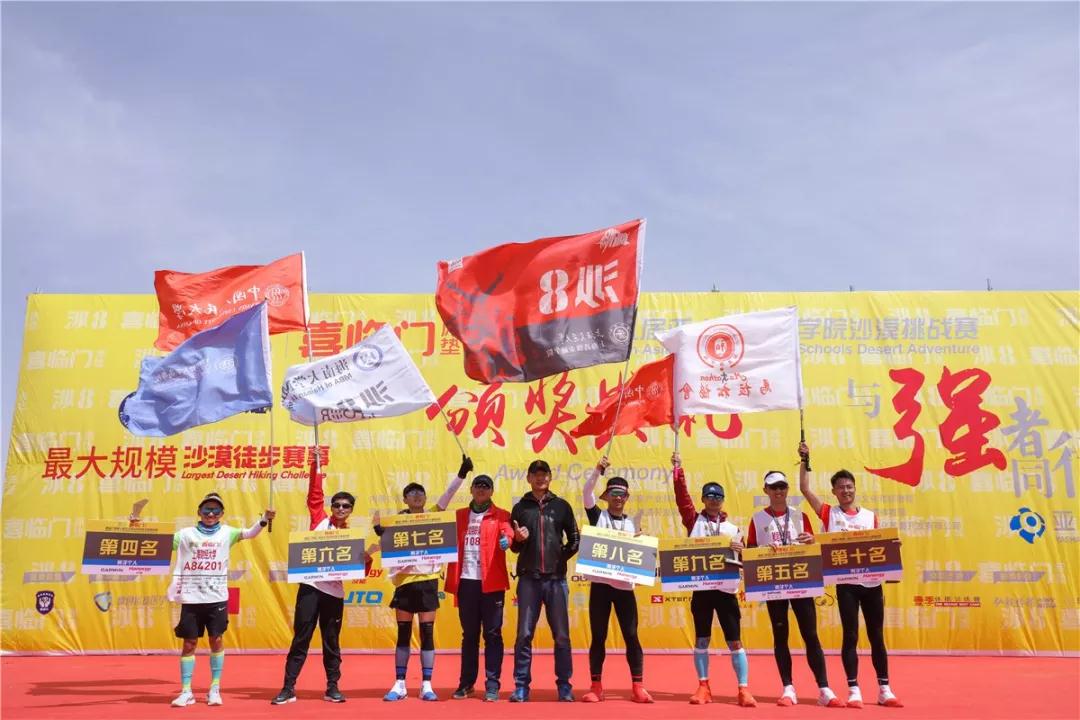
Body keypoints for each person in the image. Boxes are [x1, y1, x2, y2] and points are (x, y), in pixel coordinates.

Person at [798, 442, 903, 708]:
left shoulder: (870, 516)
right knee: (851, 635)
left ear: (854, 488)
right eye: (840, 487)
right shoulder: (828, 513)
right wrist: (805, 459)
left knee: (877, 635)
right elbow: (805, 489)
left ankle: (884, 689)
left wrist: (892, 548)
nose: (846, 490)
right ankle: (854, 689)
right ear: (834, 492)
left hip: (872, 585)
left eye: (849, 486)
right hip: (846, 585)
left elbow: (879, 548)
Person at [151, 492, 275, 707]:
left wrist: (264, 519)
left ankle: (214, 688)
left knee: (216, 640)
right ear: (199, 512)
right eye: (207, 509)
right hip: (191, 598)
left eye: (215, 510)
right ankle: (186, 691)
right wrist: (137, 528)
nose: (211, 514)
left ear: (221, 513)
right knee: (189, 643)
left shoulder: (228, 533)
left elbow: (250, 533)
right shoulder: (185, 535)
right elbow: (159, 543)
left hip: (216, 598)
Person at [375, 455, 472, 702]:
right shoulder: (396, 523)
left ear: (425, 499)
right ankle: (400, 684)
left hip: (428, 582)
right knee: (403, 634)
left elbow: (448, 495)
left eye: (420, 493)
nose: (417, 496)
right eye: (412, 493)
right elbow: (383, 548)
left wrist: (462, 474)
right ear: (405, 499)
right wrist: (381, 534)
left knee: (427, 634)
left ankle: (426, 685)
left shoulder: (433, 516)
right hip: (405, 583)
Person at [747, 470, 843, 708]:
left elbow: (813, 545)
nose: (778, 491)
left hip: (801, 582)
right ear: (766, 490)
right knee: (781, 636)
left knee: (810, 635)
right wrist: (761, 551)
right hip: (773, 584)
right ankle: (788, 688)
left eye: (782, 487)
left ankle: (824, 689)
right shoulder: (758, 519)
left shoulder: (800, 516)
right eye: (773, 487)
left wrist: (812, 540)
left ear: (787, 489)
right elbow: (749, 552)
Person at [272, 463, 366, 705]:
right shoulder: (320, 521)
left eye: (346, 506)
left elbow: (360, 572)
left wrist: (367, 558)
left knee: (331, 641)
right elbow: (315, 495)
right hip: (310, 589)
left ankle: (332, 687)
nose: (341, 508)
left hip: (333, 594)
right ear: (331, 507)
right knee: (301, 638)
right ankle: (288, 688)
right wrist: (316, 464)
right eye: (337, 505)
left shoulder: (352, 536)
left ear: (351, 510)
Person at [670, 452, 756, 707]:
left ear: (722, 500)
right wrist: (678, 471)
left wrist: (742, 550)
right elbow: (681, 498)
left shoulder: (733, 529)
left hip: (726, 591)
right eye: (709, 496)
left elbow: (745, 560)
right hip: (702, 590)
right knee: (702, 639)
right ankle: (703, 686)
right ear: (703, 499)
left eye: (718, 496)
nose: (713, 500)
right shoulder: (693, 520)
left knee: (735, 641)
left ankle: (743, 689)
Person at [580, 456, 653, 704]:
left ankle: (638, 686)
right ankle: (596, 686)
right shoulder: (598, 516)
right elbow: (586, 492)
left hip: (624, 589)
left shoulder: (633, 523)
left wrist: (642, 545)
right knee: (598, 636)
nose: (618, 497)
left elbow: (640, 558)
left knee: (631, 635)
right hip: (600, 587)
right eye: (614, 493)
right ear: (607, 496)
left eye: (622, 494)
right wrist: (597, 471)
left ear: (627, 497)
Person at [508, 459, 580, 703]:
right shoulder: (520, 508)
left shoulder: (561, 506)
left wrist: (560, 558)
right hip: (529, 579)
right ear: (529, 478)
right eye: (535, 474)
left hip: (556, 580)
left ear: (550, 477)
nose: (540, 478)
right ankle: (521, 686)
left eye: (544, 474)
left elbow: (574, 539)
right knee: (524, 634)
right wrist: (518, 539)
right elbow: (514, 547)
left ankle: (564, 686)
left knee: (562, 635)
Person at [444, 472, 514, 702]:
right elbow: (435, 525)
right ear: (471, 489)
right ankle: (466, 684)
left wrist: (507, 540)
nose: (481, 489)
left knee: (492, 634)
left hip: (491, 583)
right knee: (470, 635)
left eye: (486, 486)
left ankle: (492, 685)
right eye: (478, 485)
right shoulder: (459, 516)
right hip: (466, 583)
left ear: (492, 491)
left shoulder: (501, 514)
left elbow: (508, 531)